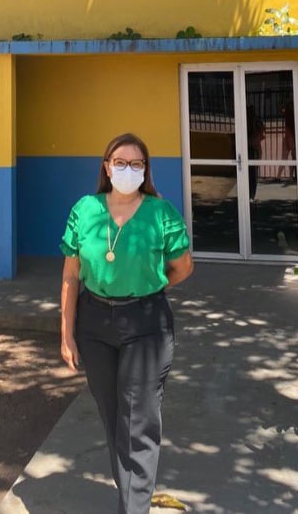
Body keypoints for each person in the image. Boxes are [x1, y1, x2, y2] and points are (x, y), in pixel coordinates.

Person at [60, 132, 194, 514]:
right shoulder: (85, 210)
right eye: (120, 162)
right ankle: (134, 494)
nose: (128, 169)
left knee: (138, 419)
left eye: (137, 164)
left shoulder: (159, 212)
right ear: (106, 166)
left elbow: (183, 267)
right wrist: (66, 334)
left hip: (146, 323)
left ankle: (132, 506)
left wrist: (148, 284)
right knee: (113, 414)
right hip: (94, 323)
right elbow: (71, 275)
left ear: (146, 171)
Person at [246, 104, 265, 201]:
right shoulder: (247, 122)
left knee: (252, 174)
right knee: (252, 174)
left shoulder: (255, 122)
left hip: (253, 150)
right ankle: (250, 195)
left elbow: (261, 134)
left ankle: (251, 195)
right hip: (252, 150)